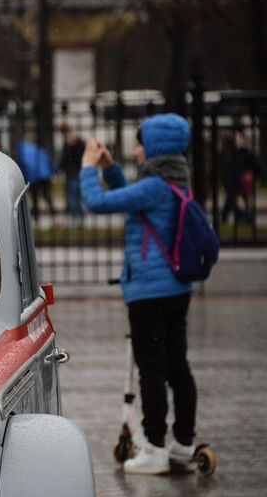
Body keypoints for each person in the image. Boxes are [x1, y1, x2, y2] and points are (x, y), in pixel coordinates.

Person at [79, 113, 197, 475]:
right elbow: (131, 197)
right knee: (177, 366)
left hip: (149, 292)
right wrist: (112, 168)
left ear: (155, 147)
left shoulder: (153, 187)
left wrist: (87, 167)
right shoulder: (174, 183)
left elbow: (97, 202)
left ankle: (155, 449)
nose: (135, 149)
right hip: (177, 289)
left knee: (152, 369)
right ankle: (183, 444)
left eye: (140, 143)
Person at [58, 122, 85, 225]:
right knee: (76, 195)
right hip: (77, 171)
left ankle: (76, 218)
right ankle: (79, 217)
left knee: (73, 196)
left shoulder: (70, 142)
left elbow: (65, 158)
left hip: (72, 172)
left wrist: (60, 168)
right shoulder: (78, 141)